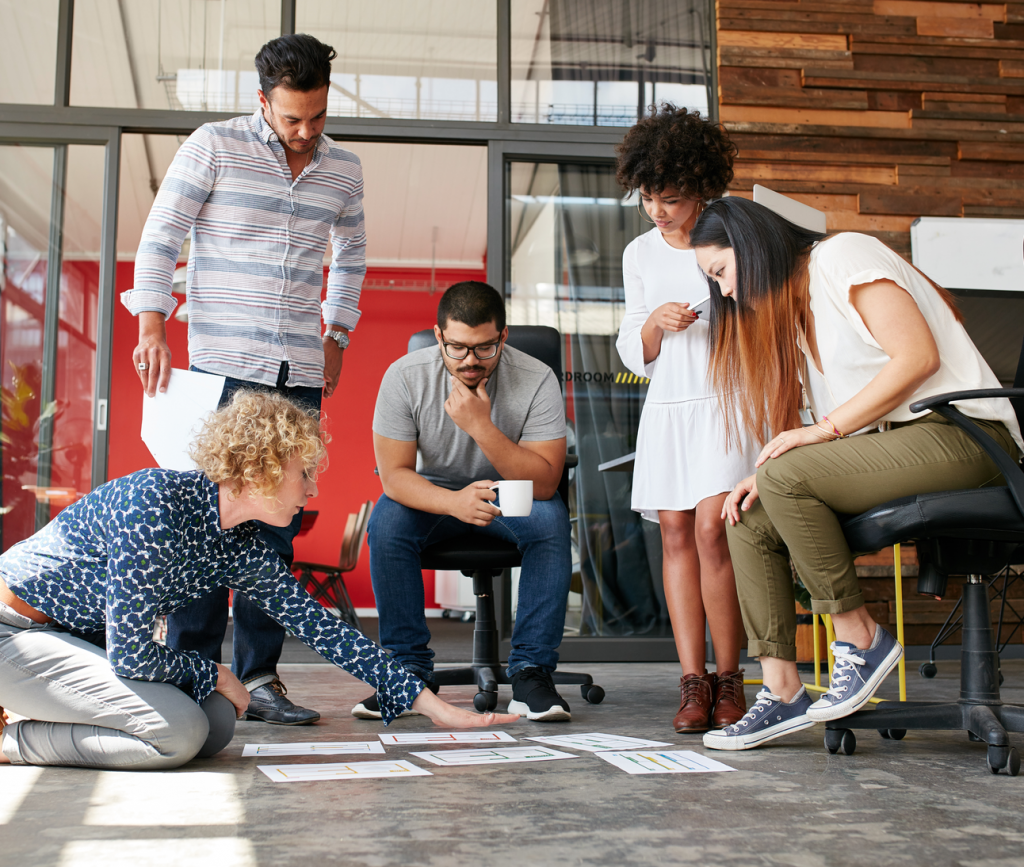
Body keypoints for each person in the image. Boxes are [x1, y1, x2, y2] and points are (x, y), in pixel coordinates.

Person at [0, 392, 516, 770]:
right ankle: (12, 742)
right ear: (258, 472)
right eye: (303, 474)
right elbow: (132, 655)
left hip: (72, 640)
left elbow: (321, 627)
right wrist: (219, 673)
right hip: (15, 632)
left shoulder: (239, 543)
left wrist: (431, 706)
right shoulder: (154, 505)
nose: (311, 489)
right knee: (178, 734)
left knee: (218, 725)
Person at [686, 197, 1024, 751]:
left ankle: (861, 638)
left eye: (721, 272)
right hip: (907, 448)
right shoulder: (796, 323)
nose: (724, 292)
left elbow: (917, 359)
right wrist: (768, 475)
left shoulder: (841, 256)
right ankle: (781, 688)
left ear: (752, 247)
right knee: (748, 515)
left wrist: (815, 439)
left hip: (968, 439)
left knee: (785, 477)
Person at [122, 34, 365, 725]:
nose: (305, 132)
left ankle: (260, 676)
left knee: (277, 527)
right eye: (292, 118)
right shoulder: (214, 146)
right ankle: (196, 670)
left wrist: (337, 331)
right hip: (221, 365)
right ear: (262, 102)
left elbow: (350, 254)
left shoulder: (343, 170)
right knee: (207, 518)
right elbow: (162, 234)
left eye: (317, 117)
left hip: (298, 367)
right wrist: (150, 324)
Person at [355, 281, 574, 722]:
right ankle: (407, 672)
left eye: (484, 348)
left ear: (503, 336)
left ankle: (531, 672)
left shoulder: (536, 378)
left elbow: (546, 482)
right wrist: (454, 502)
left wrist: (481, 427)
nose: (470, 361)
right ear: (438, 336)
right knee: (387, 522)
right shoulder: (404, 376)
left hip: (508, 491)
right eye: (457, 348)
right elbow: (395, 477)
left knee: (551, 519)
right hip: (435, 495)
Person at [614, 106, 754, 733]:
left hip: (724, 403)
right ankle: (692, 682)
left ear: (701, 188)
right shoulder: (639, 253)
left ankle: (731, 679)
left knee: (710, 533)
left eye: (670, 198)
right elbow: (629, 348)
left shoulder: (732, 234)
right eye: (648, 197)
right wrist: (654, 325)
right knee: (673, 534)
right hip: (668, 404)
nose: (658, 211)